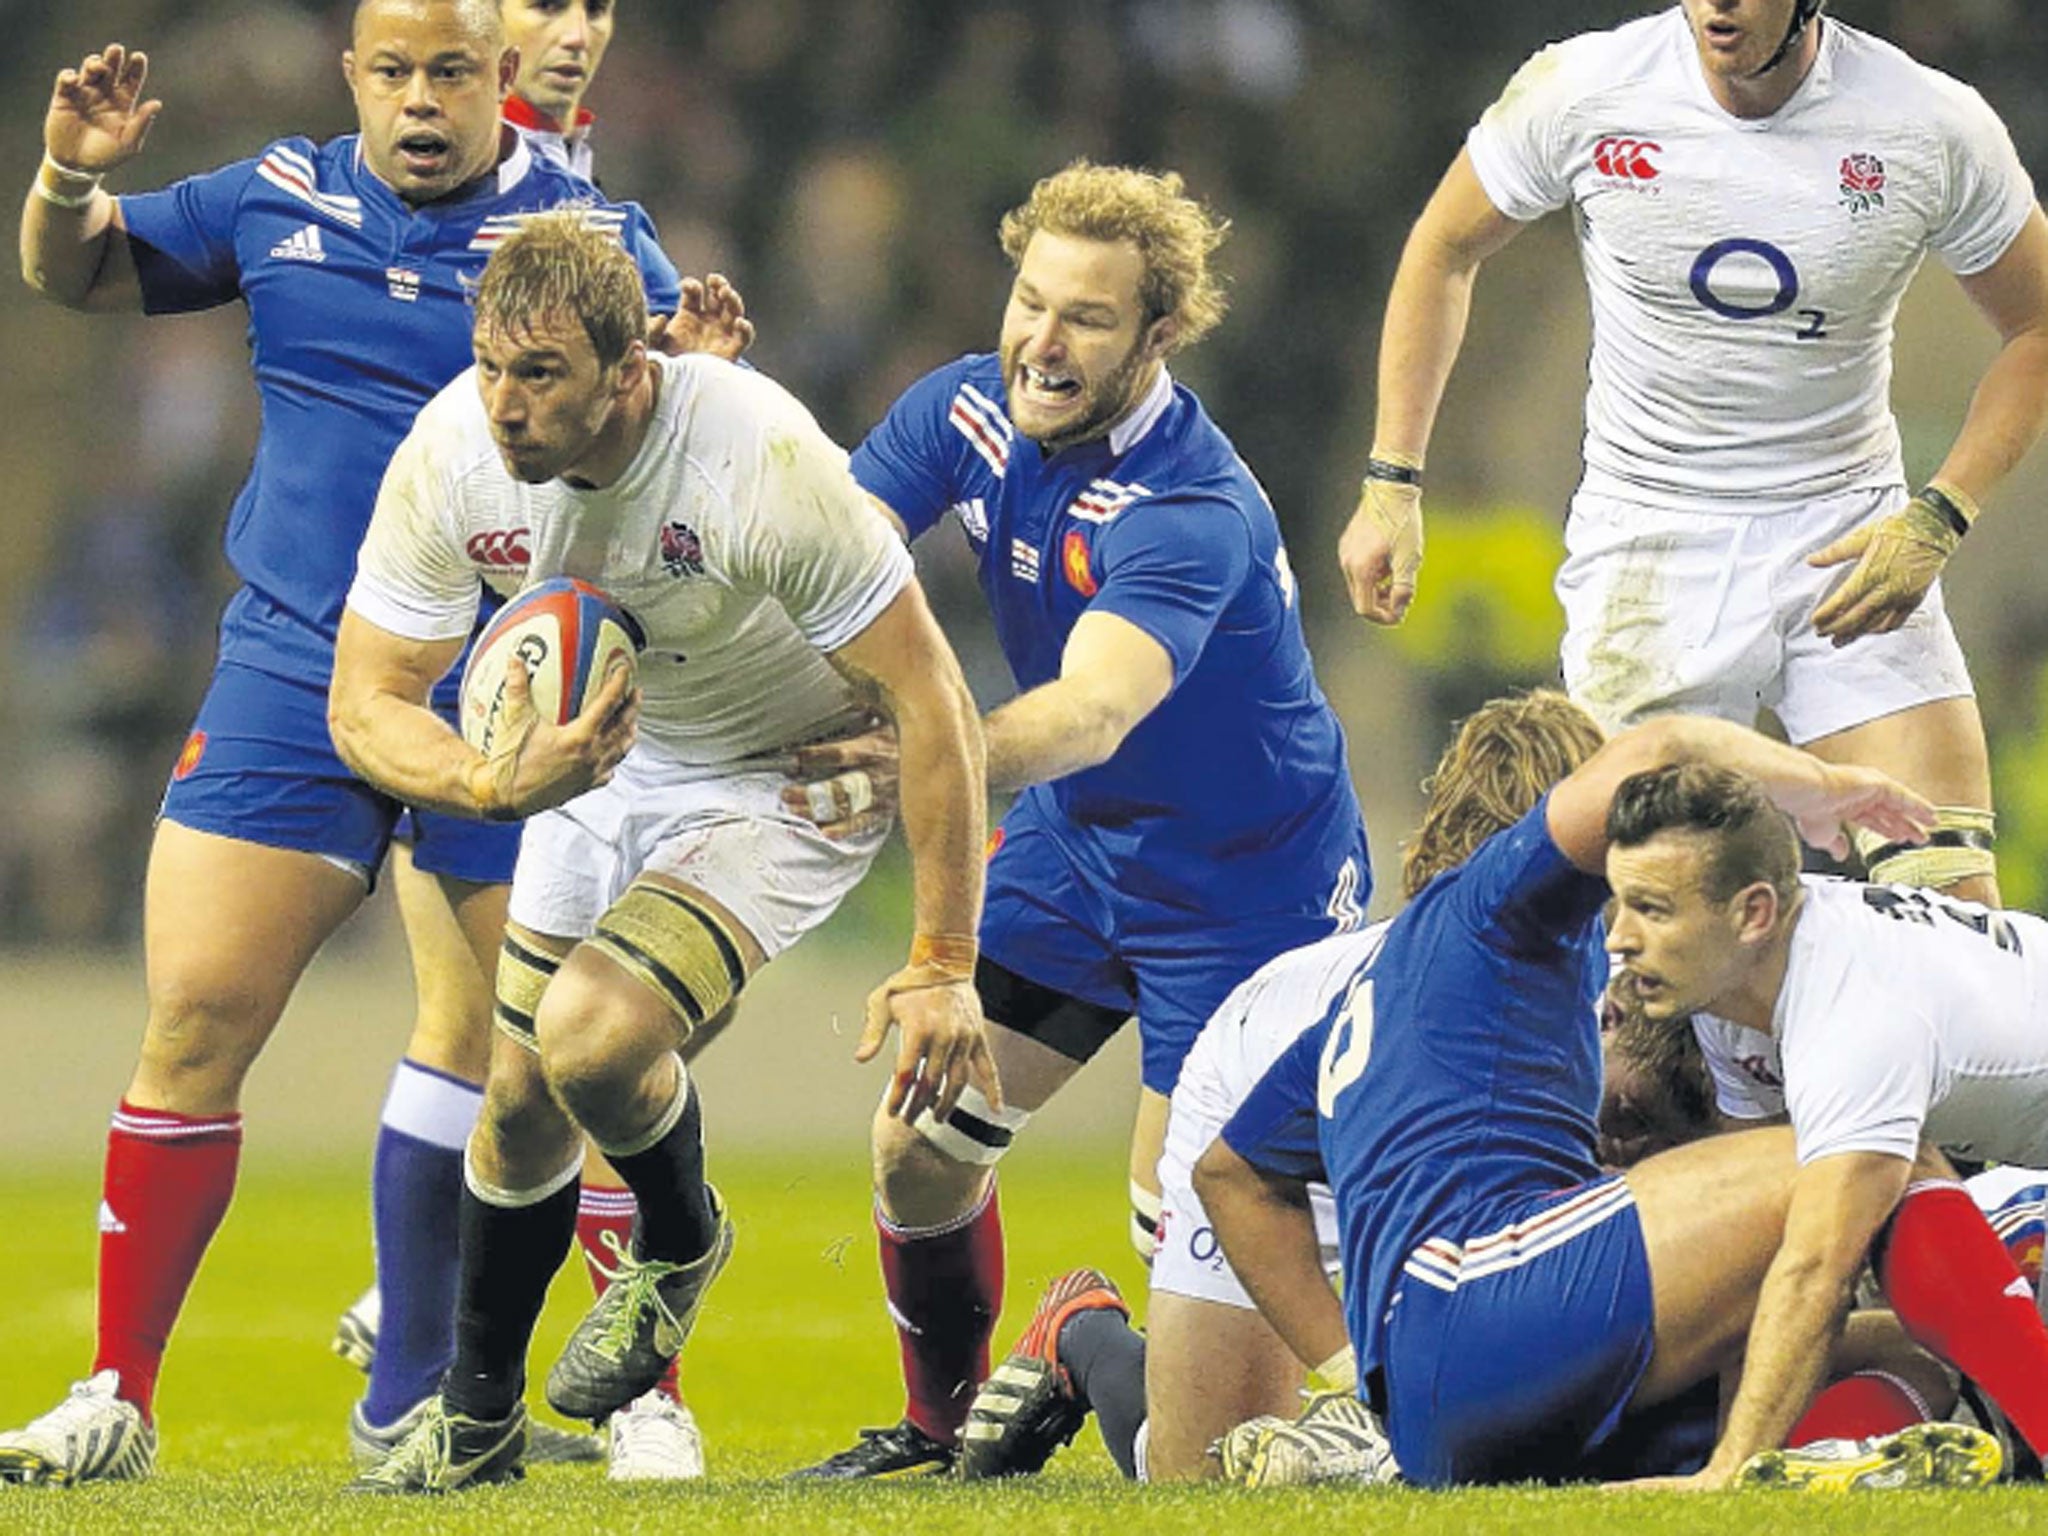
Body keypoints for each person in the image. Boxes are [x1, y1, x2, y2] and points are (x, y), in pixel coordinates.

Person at [0, 3, 682, 1489]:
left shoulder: (585, 239)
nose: (421, 101)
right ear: (352, 79)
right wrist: (64, 178)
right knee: (191, 1021)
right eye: (393, 72)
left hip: (512, 677)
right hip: (299, 662)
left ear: (499, 80)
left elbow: (687, 429)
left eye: (451, 70)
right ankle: (117, 1391)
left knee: (554, 1058)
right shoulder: (276, 200)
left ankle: (609, 1397)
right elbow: (76, 272)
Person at [330, 210, 993, 1493]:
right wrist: (485, 779)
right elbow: (364, 700)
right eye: (489, 369)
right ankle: (474, 1423)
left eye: (542, 376)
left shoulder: (757, 458)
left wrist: (942, 957)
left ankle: (679, 1238)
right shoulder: (453, 457)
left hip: (781, 772)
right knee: (517, 1107)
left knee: (588, 1033)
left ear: (630, 371)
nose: (506, 407)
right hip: (595, 760)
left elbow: (933, 702)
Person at [793, 161, 1372, 1478]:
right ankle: (938, 1437)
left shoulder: (1190, 509)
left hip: (1249, 901)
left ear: (1158, 336)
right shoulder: (966, 410)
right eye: (1031, 302)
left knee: (1199, 1458)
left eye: (1088, 320)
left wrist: (929, 761)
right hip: (1080, 848)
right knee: (919, 1145)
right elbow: (827, 554)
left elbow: (1093, 711)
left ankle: (1078, 1335)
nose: (1041, 344)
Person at [1202, 711, 2048, 1490]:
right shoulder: (1503, 905)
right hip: (1487, 1298)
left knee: (1911, 1340)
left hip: (1464, 1389)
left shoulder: (1377, 991)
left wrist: (1357, 1373)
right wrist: (1817, 786)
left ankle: (1822, 1462)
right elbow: (1654, 748)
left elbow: (1229, 1174)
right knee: (1871, 1165)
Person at [1339, 0, 2048, 905]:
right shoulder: (1585, 88)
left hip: (1846, 542)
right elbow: (1443, 247)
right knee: (1641, 938)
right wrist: (1391, 481)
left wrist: (1942, 513)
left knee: (1955, 914)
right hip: (1649, 549)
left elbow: (2035, 325)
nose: (1716, 4)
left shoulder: (1929, 124)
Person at [333, 0, 744, 1481]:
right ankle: (451, 1360)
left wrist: (689, 373)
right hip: (469, 664)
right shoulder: (400, 184)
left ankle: (639, 1386)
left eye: (591, 4)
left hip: (625, 689)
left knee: (599, 1050)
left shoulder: (603, 218)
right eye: (533, 6)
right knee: (503, 1054)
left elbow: (687, 459)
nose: (566, 28)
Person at [958, 692, 1600, 1483]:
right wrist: (1361, 1382)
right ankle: (1083, 1339)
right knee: (1197, 1475)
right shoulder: (1306, 1007)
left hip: (1424, 1182)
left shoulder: (1630, 963)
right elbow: (1234, 1175)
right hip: (1280, 1167)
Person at [1603, 763, 2048, 1482]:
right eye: (1619, 905)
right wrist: (1738, 1445)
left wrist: (1724, 1475)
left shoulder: (1852, 1014)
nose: (1620, 939)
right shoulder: (1727, 989)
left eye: (1652, 910)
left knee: (1877, 1202)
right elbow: (1762, 1245)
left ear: (1752, 913)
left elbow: (1815, 1271)